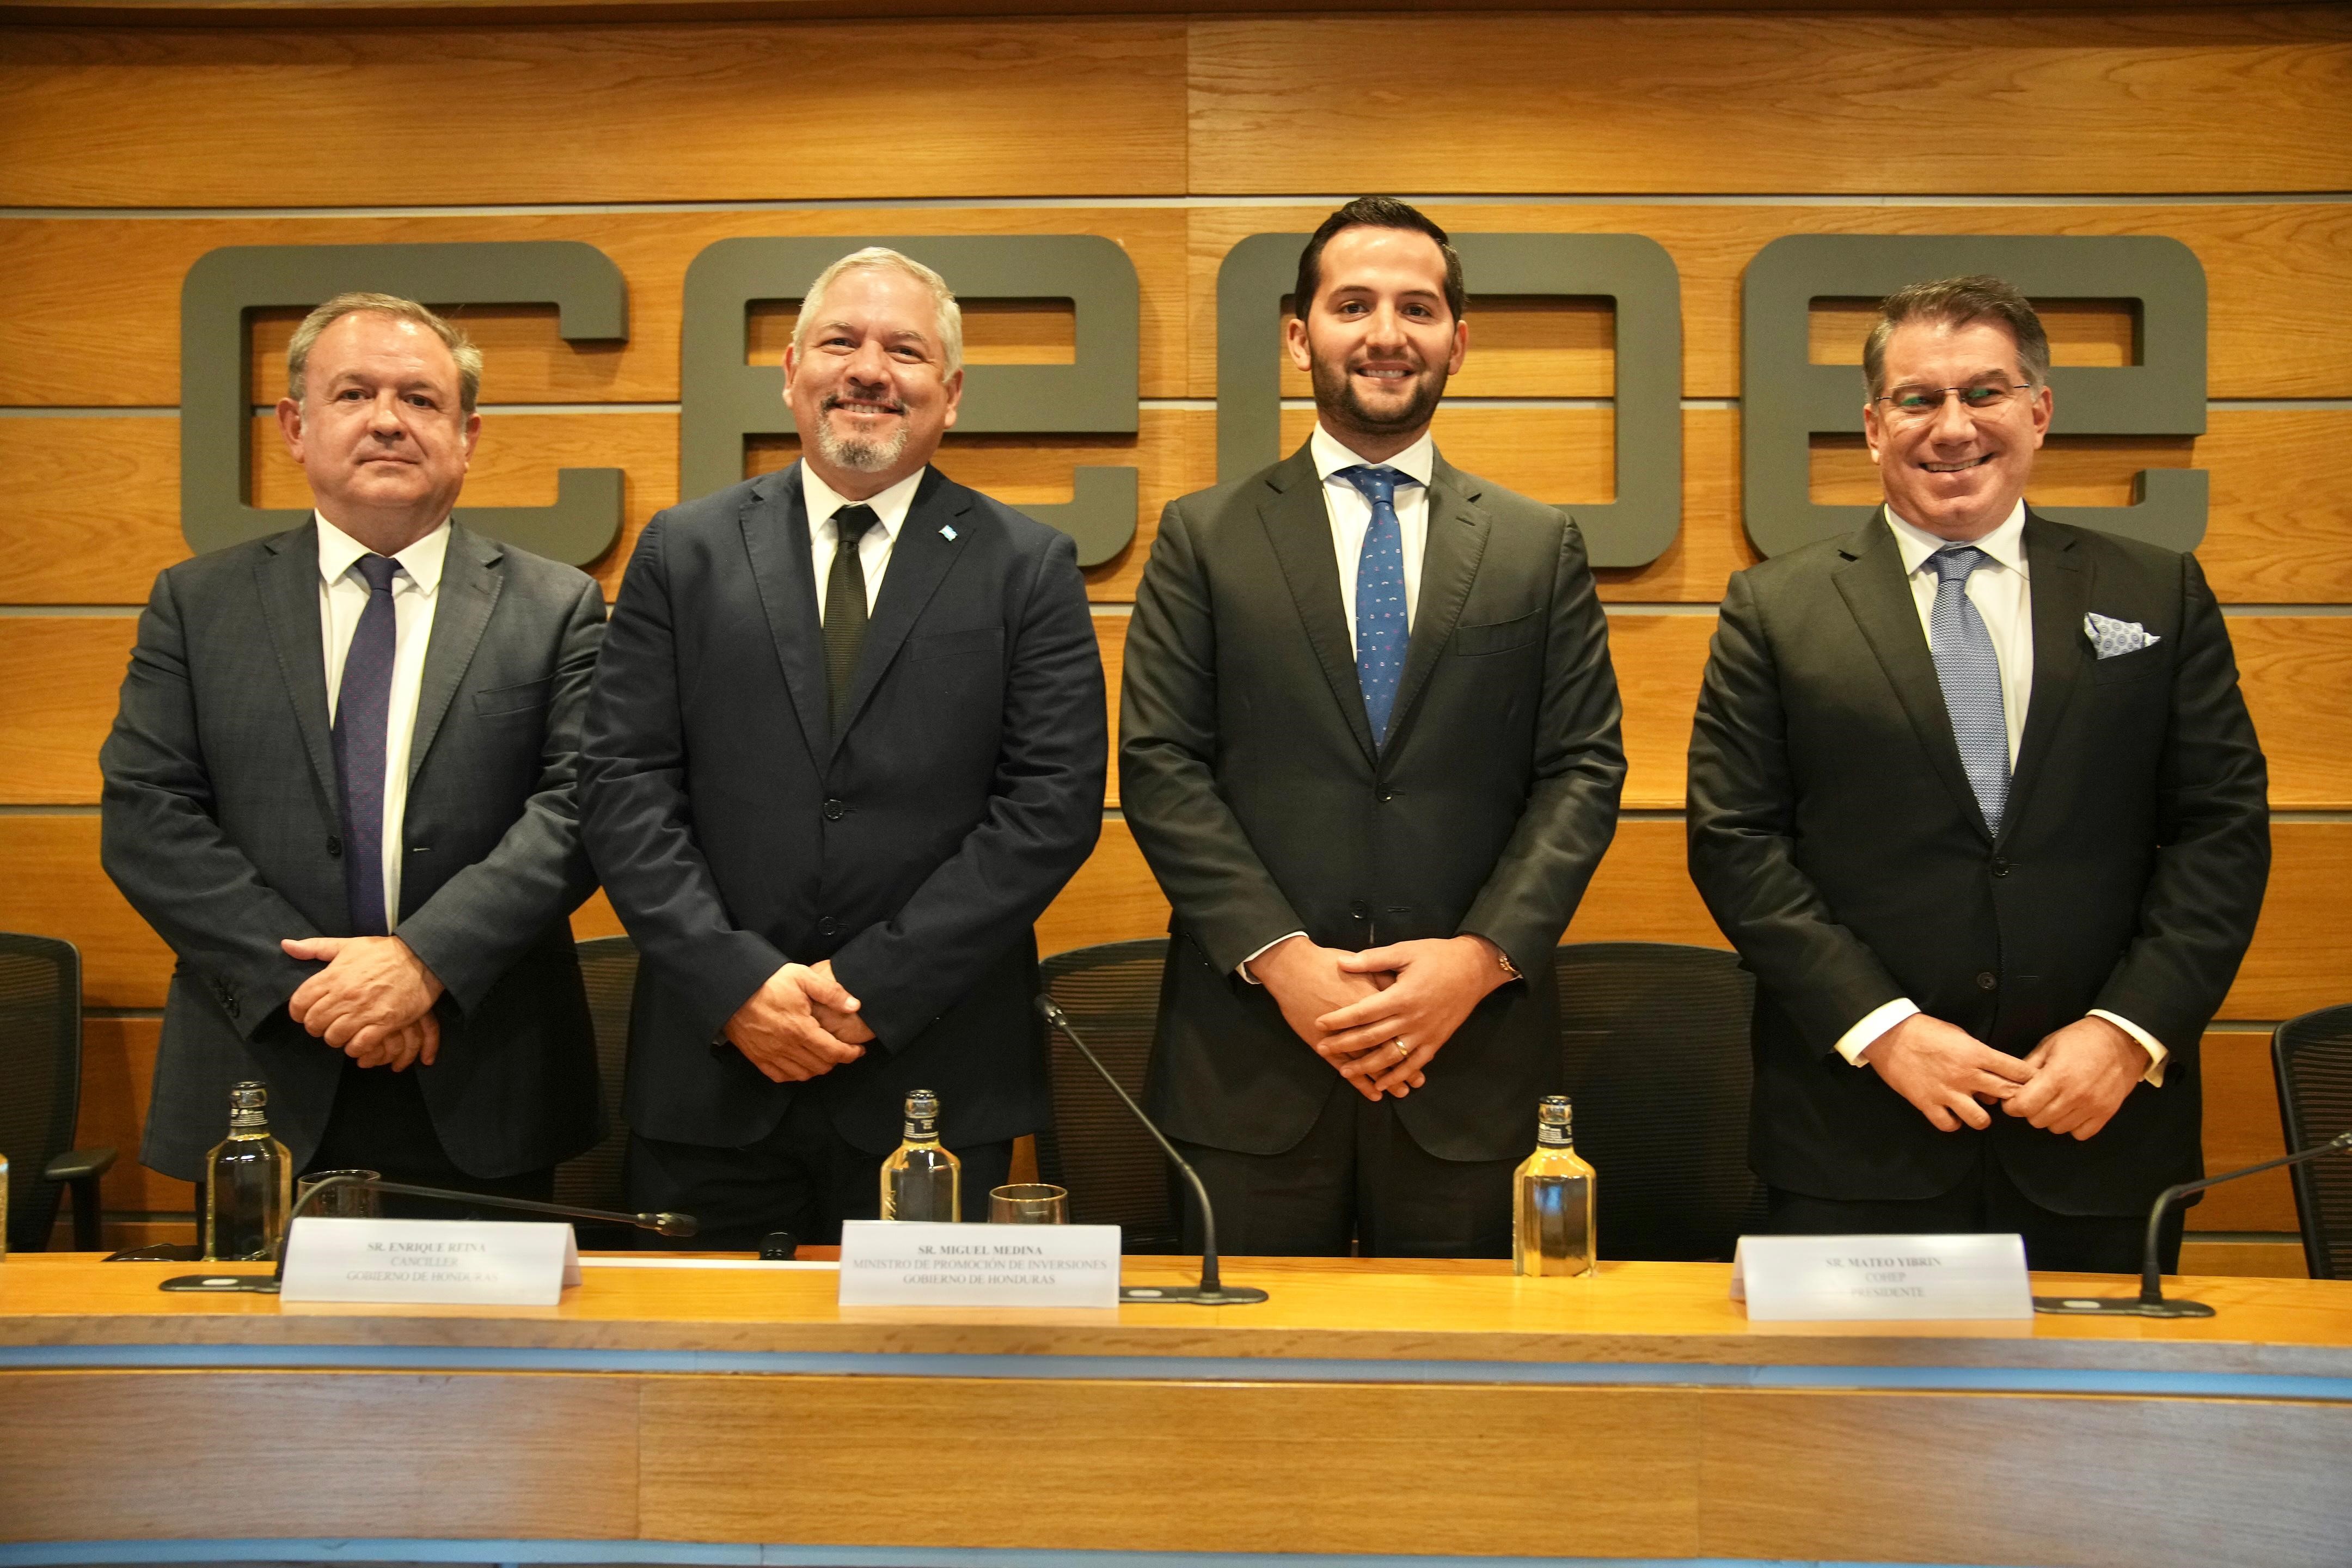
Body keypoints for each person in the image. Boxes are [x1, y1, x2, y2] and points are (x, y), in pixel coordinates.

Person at [1686, 275, 2270, 1273]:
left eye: (1984, 393)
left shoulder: (2155, 589)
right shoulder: (1774, 609)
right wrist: (1885, 1031)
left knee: (2102, 1429)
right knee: (1841, 1435)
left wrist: (2129, 1033)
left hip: (2096, 1127)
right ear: (1874, 426)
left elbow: (2221, 829)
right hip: (1858, 1139)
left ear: (2038, 412)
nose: (1952, 427)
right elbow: (1736, 841)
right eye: (1919, 399)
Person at [1119, 198, 1626, 1258]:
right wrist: (1287, 963)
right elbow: (1163, 766)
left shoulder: (1538, 546)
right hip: (1251, 1060)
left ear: (1459, 341)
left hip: (1472, 1059)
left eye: (1418, 308)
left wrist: (1479, 960)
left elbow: (1581, 770)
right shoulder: (1205, 537)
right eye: (1353, 305)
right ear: (1300, 336)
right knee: (1238, 1401)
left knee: (1471, 1404)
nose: (1387, 333)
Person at [581, 247, 1105, 1248]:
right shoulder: (682, 550)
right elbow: (622, 783)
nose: (870, 368)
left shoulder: (1026, 565)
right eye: (841, 341)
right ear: (789, 372)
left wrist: (870, 990)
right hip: (712, 1070)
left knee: (928, 1395)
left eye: (904, 350)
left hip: (935, 1076)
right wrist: (735, 981)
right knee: (697, 1387)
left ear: (948, 394)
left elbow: (1050, 806)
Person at [101, 292, 608, 1218]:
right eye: (353, 394)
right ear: (296, 426)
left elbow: (579, 811)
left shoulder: (556, 606)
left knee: (496, 1366)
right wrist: (324, 992)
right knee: (241, 1368)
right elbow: (147, 816)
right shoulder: (196, 604)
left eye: (420, 399)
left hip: (480, 1066)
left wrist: (422, 964)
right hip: (262, 1068)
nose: (387, 420)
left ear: (468, 434)